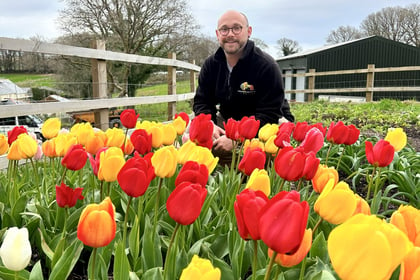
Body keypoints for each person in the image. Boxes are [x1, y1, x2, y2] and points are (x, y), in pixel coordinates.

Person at [193, 10, 294, 157]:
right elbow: (202, 102)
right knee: (192, 133)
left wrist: (238, 137)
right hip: (230, 120)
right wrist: (209, 125)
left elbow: (270, 113)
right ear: (217, 34)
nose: (230, 34)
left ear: (249, 31)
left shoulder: (266, 65)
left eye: (237, 28)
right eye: (224, 29)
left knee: (263, 154)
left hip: (267, 122)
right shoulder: (211, 65)